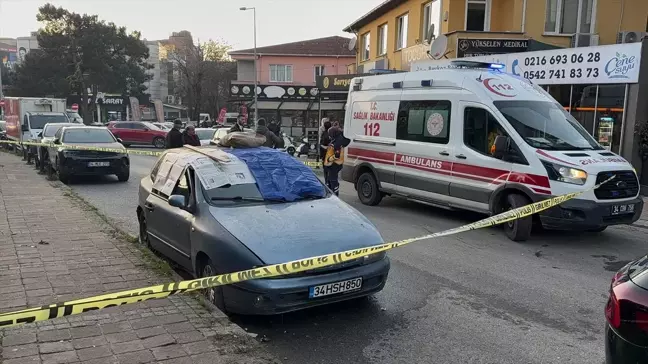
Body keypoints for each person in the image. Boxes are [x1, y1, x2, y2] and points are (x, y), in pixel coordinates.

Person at [324, 126, 350, 196]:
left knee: (333, 180)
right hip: (335, 164)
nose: (329, 136)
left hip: (334, 164)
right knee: (331, 179)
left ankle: (334, 194)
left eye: (330, 134)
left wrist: (329, 159)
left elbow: (336, 155)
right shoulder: (338, 139)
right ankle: (332, 192)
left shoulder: (337, 142)